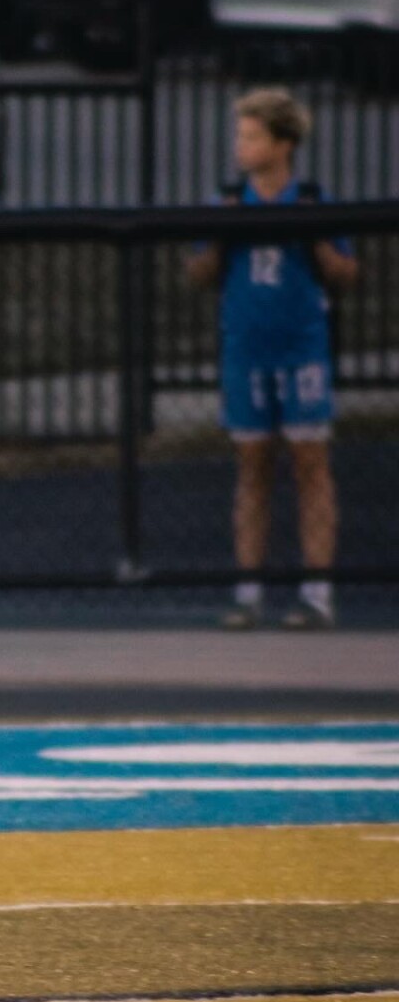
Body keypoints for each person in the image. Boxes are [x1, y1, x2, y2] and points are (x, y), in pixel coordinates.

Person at [187, 87, 358, 630]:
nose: (241, 145)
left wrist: (314, 236)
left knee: (311, 465)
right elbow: (198, 273)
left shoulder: (312, 199)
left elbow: (346, 274)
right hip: (246, 350)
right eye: (240, 135)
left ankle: (317, 593)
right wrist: (221, 234)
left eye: (253, 136)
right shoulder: (229, 201)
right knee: (252, 467)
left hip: (301, 349)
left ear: (283, 144)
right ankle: (248, 591)